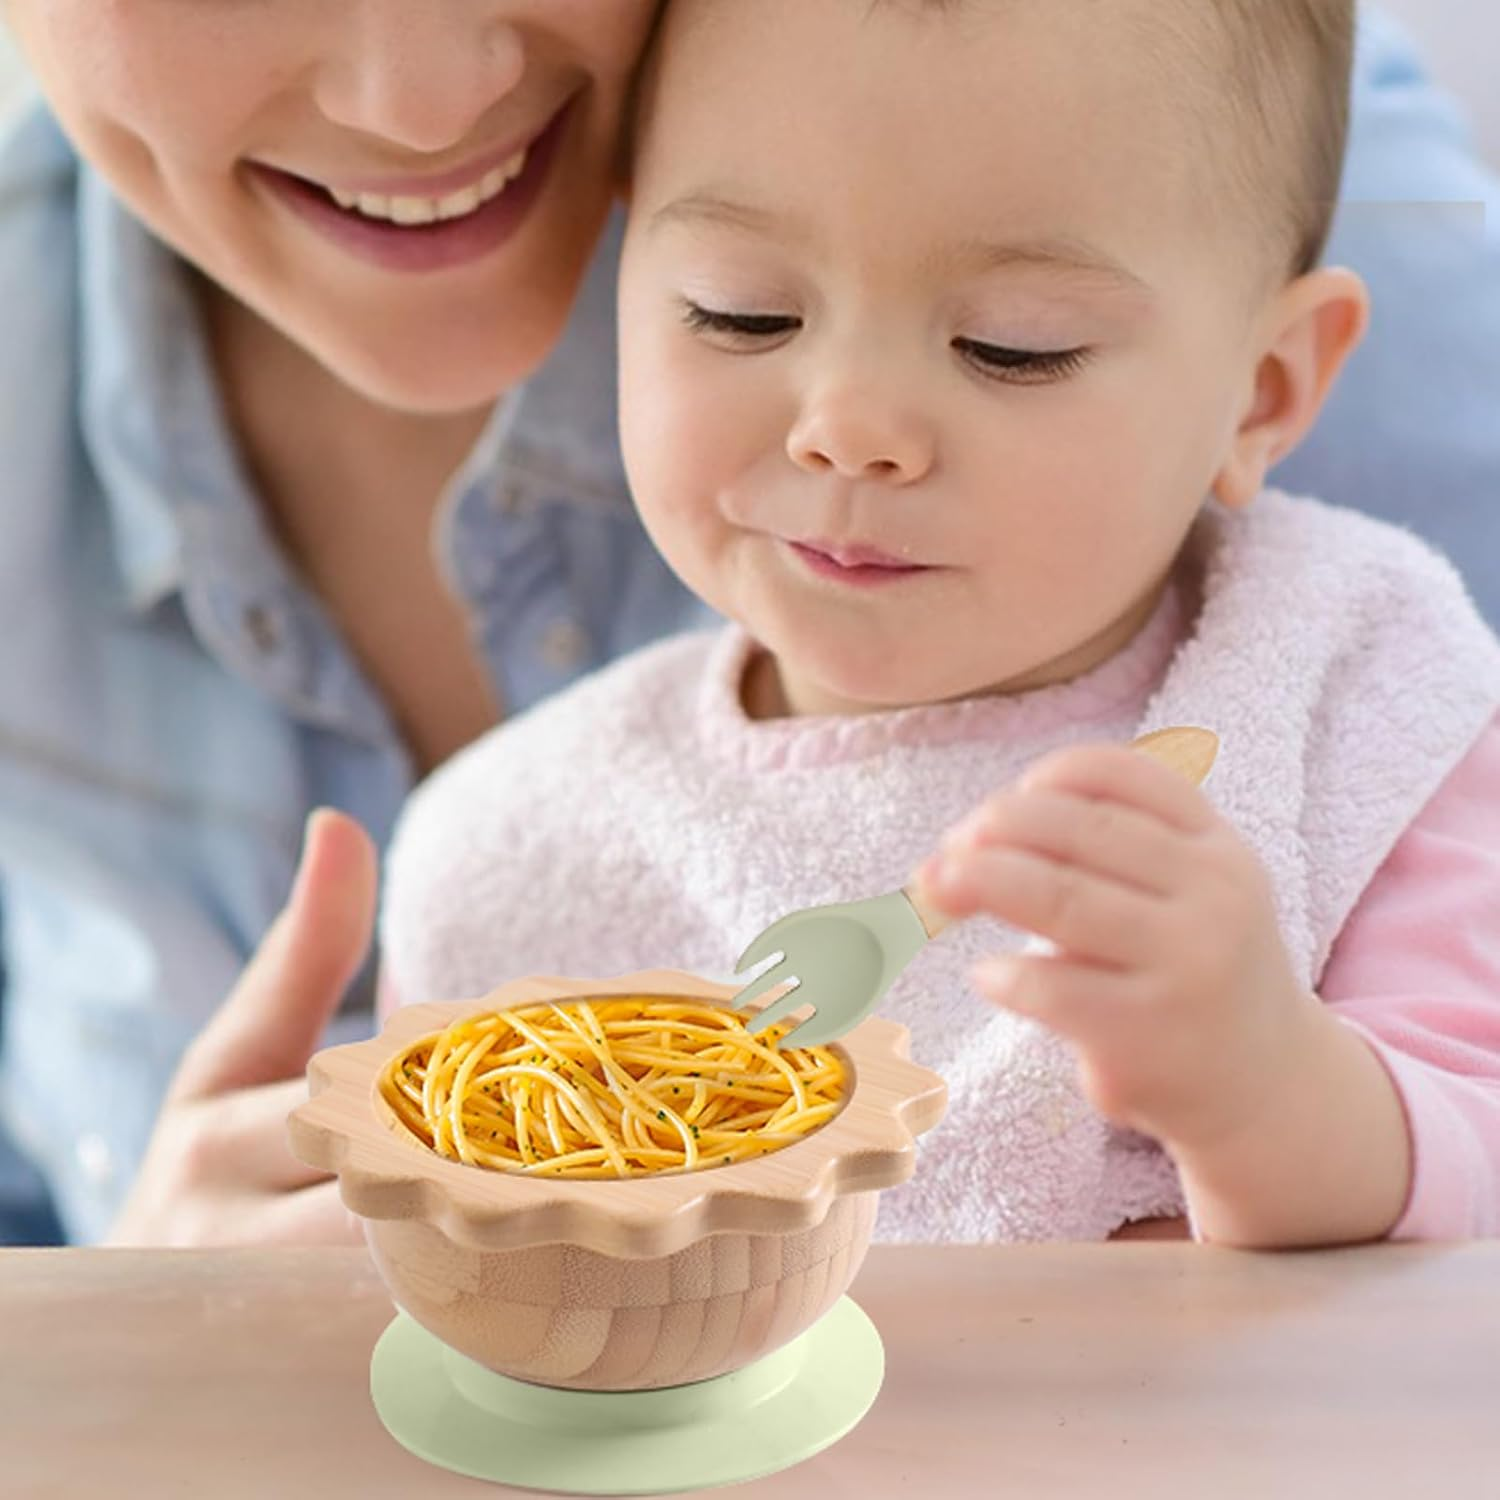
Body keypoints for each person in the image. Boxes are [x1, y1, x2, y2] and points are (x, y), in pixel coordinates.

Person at [0, 3, 1496, 1248]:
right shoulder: (516, 840)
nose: (851, 432)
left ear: (1270, 391)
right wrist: (145, 1325)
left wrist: (1274, 1098)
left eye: (1010, 349)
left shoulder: (1339, 674)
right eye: (737, 315)